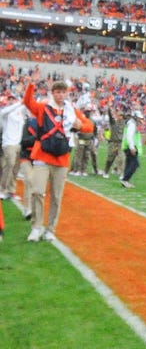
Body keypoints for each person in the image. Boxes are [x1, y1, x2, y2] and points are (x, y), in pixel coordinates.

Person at [23, 79, 93, 241]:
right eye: (58, 92)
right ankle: (36, 227)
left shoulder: (71, 110)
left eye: (63, 92)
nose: (61, 95)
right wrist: (31, 84)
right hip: (42, 156)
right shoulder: (43, 108)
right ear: (53, 93)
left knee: (56, 196)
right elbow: (28, 102)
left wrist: (79, 125)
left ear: (67, 93)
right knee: (37, 191)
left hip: (61, 159)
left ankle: (50, 229)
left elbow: (89, 126)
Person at [0, 94, 27, 200]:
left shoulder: (19, 113)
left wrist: (25, 100)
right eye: (9, 99)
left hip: (18, 144)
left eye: (13, 99)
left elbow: (27, 105)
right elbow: (6, 110)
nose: (11, 101)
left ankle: (11, 191)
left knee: (16, 168)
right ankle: (2, 189)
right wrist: (20, 102)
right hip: (8, 143)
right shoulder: (5, 113)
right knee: (9, 164)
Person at [119, 109, 144, 189]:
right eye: (139, 118)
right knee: (135, 164)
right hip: (130, 147)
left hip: (128, 146)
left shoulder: (131, 123)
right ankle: (125, 179)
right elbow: (129, 136)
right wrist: (132, 147)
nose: (140, 119)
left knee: (129, 163)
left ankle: (125, 181)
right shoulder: (132, 124)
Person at [101, 108, 125, 178]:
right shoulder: (113, 122)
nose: (119, 117)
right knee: (110, 159)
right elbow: (110, 117)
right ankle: (105, 171)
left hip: (120, 143)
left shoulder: (124, 124)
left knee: (121, 158)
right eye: (119, 115)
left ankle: (122, 174)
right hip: (113, 143)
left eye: (121, 115)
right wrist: (109, 110)